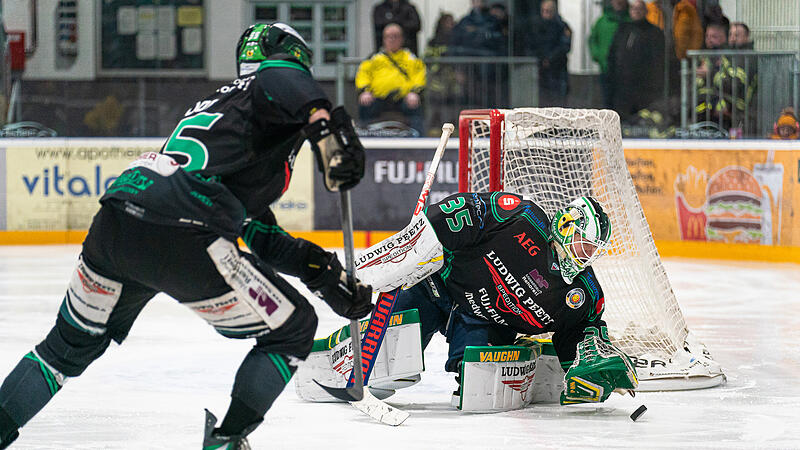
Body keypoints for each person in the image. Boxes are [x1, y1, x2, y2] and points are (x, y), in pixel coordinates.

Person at [0, 22, 374, 450]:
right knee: (294, 328)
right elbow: (281, 77)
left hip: (122, 216)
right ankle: (227, 442)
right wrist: (325, 128)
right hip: (184, 223)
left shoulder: (227, 115)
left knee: (63, 350)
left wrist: (324, 274)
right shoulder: (275, 82)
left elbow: (263, 237)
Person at [379, 192, 637, 405]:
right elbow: (467, 210)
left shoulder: (585, 295)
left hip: (482, 320)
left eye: (595, 249)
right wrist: (423, 231)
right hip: (435, 288)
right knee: (383, 371)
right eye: (585, 243)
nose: (588, 255)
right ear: (566, 226)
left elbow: (575, 337)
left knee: (478, 391)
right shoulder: (522, 219)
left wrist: (596, 370)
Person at [356, 23, 426, 135]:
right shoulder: (374, 58)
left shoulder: (411, 58)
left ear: (402, 39)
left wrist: (414, 92)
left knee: (415, 107)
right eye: (388, 36)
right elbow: (363, 74)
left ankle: (418, 138)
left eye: (396, 36)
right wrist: (365, 91)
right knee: (365, 105)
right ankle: (365, 136)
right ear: (383, 39)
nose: (392, 40)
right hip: (377, 97)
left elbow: (419, 76)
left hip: (404, 98)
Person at [607, 0, 665, 120]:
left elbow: (657, 62)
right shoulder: (623, 29)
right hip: (622, 85)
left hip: (644, 87)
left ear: (645, 11)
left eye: (639, 9)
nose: (636, 12)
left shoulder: (654, 32)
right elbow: (612, 53)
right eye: (633, 9)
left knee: (642, 119)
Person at [523, 0, 572, 107]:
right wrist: (541, 59)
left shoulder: (562, 26)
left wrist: (550, 59)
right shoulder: (536, 26)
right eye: (544, 11)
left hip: (558, 68)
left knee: (559, 100)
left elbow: (564, 46)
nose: (546, 14)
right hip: (542, 69)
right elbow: (531, 45)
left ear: (554, 12)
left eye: (548, 11)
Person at [589, 0, 630, 108]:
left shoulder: (630, 20)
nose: (618, 2)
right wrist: (599, 56)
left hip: (627, 71)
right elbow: (593, 40)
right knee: (607, 102)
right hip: (606, 68)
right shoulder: (602, 21)